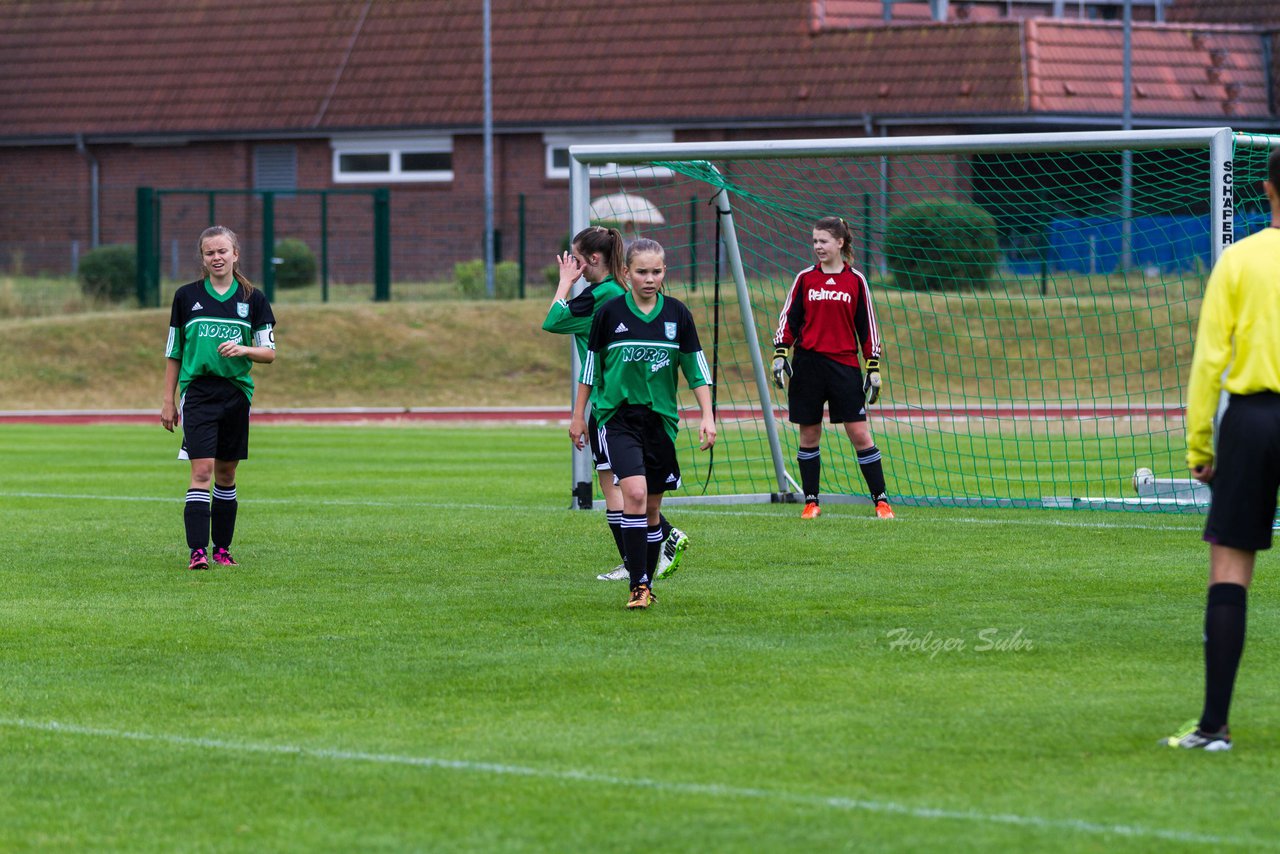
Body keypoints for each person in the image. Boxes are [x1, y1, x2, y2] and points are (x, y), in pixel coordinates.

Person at [1163, 148, 1280, 751]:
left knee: (1230, 572)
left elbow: (1210, 361)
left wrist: (1199, 446)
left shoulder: (1239, 261)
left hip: (1255, 421)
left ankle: (1213, 728)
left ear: (1267, 188)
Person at [570, 238, 716, 609]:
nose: (649, 279)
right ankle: (639, 586)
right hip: (617, 417)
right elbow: (591, 367)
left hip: (661, 422)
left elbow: (695, 368)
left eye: (656, 271)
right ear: (625, 273)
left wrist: (707, 416)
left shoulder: (678, 315)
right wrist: (578, 416)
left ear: (664, 272)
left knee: (651, 510)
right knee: (632, 494)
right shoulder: (610, 313)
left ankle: (645, 583)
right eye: (641, 272)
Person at [543, 225, 689, 582]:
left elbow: (552, 320)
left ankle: (642, 556)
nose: (573, 266)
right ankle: (648, 550)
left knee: (615, 490)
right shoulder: (620, 294)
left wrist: (564, 282)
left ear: (592, 259)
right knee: (631, 488)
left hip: (611, 405)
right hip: (629, 403)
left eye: (576, 260)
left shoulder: (598, 297)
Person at [161, 226, 277, 570]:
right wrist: (168, 400)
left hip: (236, 393)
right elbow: (174, 351)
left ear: (235, 254)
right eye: (210, 252)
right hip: (197, 392)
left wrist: (243, 349)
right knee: (203, 471)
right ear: (202, 258)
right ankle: (198, 552)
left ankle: (222, 549)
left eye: (223, 251)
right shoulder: (186, 296)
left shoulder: (252, 298)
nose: (217, 257)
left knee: (226, 474)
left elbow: (269, 353)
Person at [771, 216, 894, 520]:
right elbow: (790, 319)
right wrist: (780, 353)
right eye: (814, 241)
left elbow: (867, 327)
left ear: (840, 243)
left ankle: (881, 502)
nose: (818, 247)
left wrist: (873, 365)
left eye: (823, 241)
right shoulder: (805, 279)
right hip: (808, 365)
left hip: (844, 366)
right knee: (809, 435)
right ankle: (811, 502)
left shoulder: (856, 280)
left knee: (860, 434)